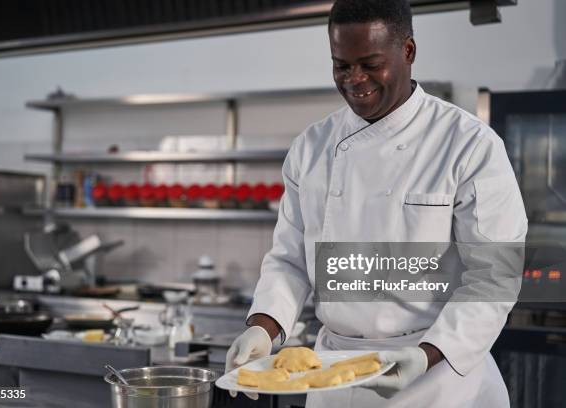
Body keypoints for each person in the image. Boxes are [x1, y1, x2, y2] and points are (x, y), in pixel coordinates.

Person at [225, 0, 527, 406]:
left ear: (408, 52)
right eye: (341, 65)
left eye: (369, 63)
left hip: (438, 377)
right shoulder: (311, 147)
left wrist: (425, 357)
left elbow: (494, 277)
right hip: (333, 373)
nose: (355, 79)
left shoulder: (468, 144)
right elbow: (290, 258)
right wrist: (264, 327)